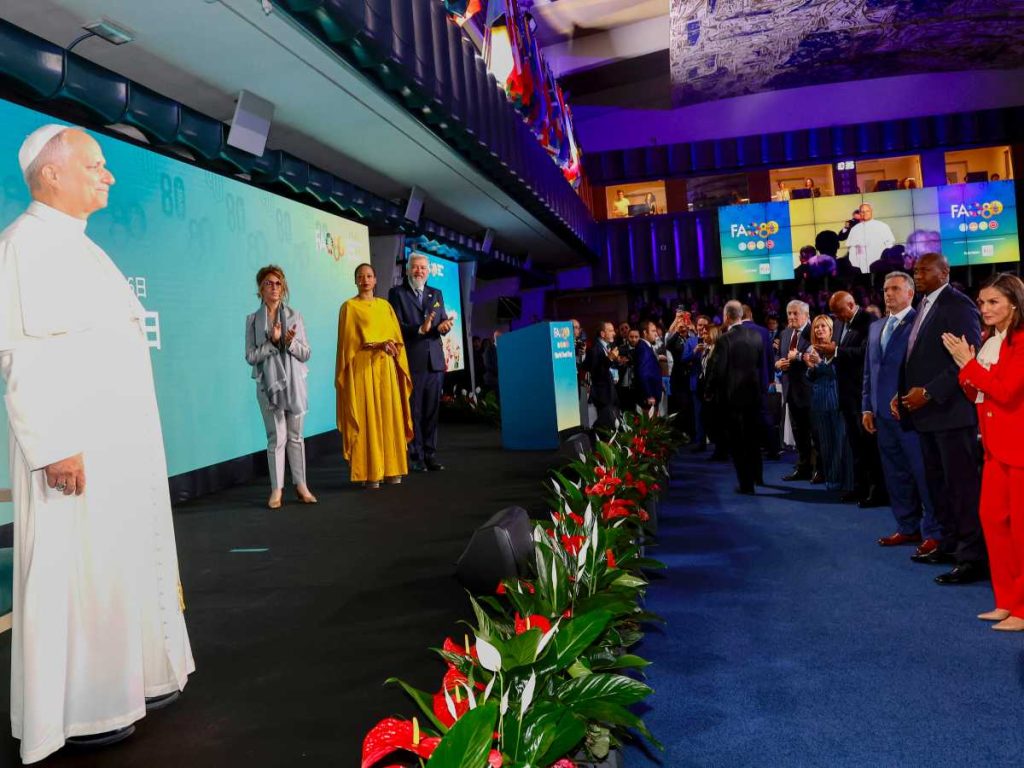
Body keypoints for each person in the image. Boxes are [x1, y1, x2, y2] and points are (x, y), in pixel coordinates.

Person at [0, 124, 194, 763]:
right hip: (72, 453)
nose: (108, 175)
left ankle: (125, 688)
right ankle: (80, 711)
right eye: (96, 165)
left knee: (112, 570)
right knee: (76, 576)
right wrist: (54, 445)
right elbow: (19, 355)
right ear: (52, 173)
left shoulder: (80, 246)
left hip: (114, 449)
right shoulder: (23, 246)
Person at [896, 253, 985, 584]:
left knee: (962, 490)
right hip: (928, 417)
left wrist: (929, 393)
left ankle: (972, 559)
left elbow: (967, 357)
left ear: (944, 272)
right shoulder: (924, 304)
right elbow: (916, 358)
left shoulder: (958, 305)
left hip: (951, 414)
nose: (917, 274)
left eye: (924, 270)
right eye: (915, 270)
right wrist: (902, 395)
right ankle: (948, 546)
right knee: (939, 488)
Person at [944, 273, 1024, 629]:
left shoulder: (1022, 341)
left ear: (1014, 304)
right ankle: (1006, 602)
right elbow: (974, 391)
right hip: (994, 447)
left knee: (1020, 531)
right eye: (982, 302)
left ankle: (1022, 608)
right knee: (992, 522)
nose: (985, 308)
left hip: (1019, 450)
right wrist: (968, 366)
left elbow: (1005, 392)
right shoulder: (992, 340)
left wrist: (968, 363)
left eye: (993, 302)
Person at [863, 272, 941, 553]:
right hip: (882, 417)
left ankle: (935, 532)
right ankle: (907, 527)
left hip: (911, 415)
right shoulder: (876, 327)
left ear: (910, 293)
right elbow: (869, 371)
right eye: (886, 289)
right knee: (896, 476)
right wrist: (867, 407)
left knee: (923, 475)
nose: (888, 294)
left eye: (895, 288)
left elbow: (928, 368)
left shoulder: (920, 323)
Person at [245, 265, 317, 509]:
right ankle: (277, 489)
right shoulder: (253, 320)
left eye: (278, 283)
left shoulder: (296, 316)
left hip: (294, 384)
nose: (274, 287)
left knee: (296, 437)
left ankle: (301, 485)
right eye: (268, 283)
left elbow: (306, 353)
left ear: (283, 287)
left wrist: (290, 343)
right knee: (276, 438)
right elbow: (250, 356)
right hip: (268, 386)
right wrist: (273, 343)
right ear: (260, 289)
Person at [338, 263, 414, 489]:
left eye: (369, 276)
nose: (365, 280)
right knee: (367, 416)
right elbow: (347, 344)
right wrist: (374, 343)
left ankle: (393, 468)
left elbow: (397, 338)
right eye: (360, 276)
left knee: (390, 415)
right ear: (355, 280)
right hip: (363, 367)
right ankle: (371, 472)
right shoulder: (349, 307)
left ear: (375, 280)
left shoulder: (385, 306)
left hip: (386, 367)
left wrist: (393, 347)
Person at [818, 291, 885, 505]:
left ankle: (877, 491)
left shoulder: (869, 321)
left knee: (869, 445)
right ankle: (859, 487)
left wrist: (837, 351)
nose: (836, 316)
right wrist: (829, 354)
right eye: (834, 313)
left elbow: (867, 353)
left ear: (850, 304)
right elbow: (840, 351)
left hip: (861, 394)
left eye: (839, 311)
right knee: (855, 445)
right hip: (845, 393)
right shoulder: (839, 324)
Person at [388, 254, 452, 472]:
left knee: (432, 411)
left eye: (423, 268)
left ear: (428, 271)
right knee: (414, 411)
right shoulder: (397, 293)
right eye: (415, 267)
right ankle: (416, 456)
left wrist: (444, 327)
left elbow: (441, 320)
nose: (419, 271)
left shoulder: (436, 293)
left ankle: (430, 454)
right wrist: (419, 329)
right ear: (407, 270)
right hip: (412, 360)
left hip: (434, 361)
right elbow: (396, 326)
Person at [708, 301, 766, 494]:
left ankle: (746, 484)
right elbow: (760, 364)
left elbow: (719, 371)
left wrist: (710, 390)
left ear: (726, 316)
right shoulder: (756, 335)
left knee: (738, 442)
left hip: (732, 399)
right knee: (753, 438)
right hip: (754, 395)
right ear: (741, 315)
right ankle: (758, 477)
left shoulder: (724, 339)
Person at [803, 316, 853, 491]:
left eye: (823, 326)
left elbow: (837, 373)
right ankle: (831, 480)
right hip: (819, 402)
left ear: (831, 329)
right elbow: (810, 377)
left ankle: (845, 481)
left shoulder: (836, 347)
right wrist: (810, 367)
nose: (819, 330)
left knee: (841, 444)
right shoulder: (812, 348)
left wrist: (819, 364)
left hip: (836, 400)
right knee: (825, 445)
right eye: (816, 327)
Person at [776, 300, 817, 481]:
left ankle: (819, 469)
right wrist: (778, 363)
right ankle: (803, 467)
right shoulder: (785, 333)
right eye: (789, 313)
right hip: (790, 391)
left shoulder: (815, 331)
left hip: (810, 391)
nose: (791, 317)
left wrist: (799, 358)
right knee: (798, 432)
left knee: (814, 432)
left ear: (806, 315)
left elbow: (816, 359)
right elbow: (778, 356)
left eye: (795, 313)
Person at [584, 321, 623, 432]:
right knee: (605, 430)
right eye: (610, 331)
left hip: (610, 394)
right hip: (603, 397)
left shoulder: (608, 347)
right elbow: (597, 373)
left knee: (613, 428)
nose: (614, 333)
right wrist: (609, 359)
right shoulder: (595, 349)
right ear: (602, 334)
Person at [846, 203, 895, 273]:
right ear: (860, 213)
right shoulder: (855, 229)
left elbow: (889, 246)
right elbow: (852, 250)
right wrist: (855, 265)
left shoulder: (882, 226)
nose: (865, 213)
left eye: (867, 211)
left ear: (871, 211)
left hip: (878, 263)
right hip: (861, 265)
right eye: (862, 212)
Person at [634, 320, 664, 413]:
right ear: (645, 332)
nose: (656, 334)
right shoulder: (643, 348)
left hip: (652, 394)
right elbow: (643, 373)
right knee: (648, 422)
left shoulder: (646, 346)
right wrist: (648, 395)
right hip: (649, 397)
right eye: (653, 331)